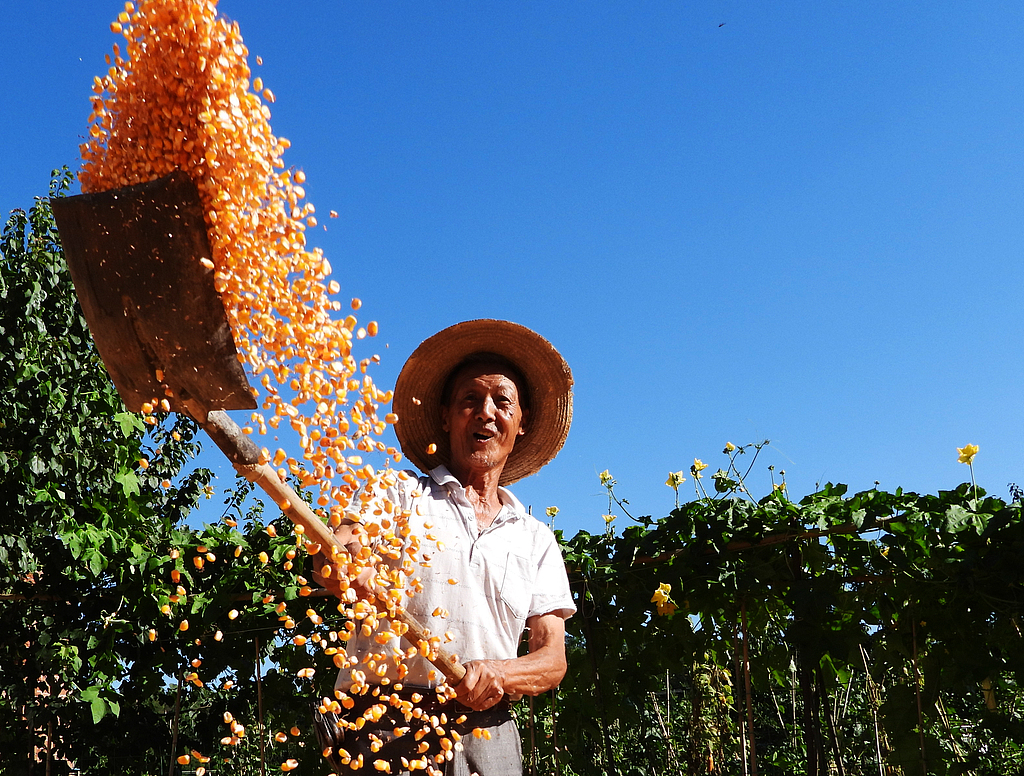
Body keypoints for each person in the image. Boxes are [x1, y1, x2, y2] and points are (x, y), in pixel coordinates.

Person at [313, 319, 576, 776]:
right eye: (469, 400)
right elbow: (337, 551)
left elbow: (551, 660)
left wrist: (499, 673)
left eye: (502, 401)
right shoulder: (396, 496)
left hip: (487, 735)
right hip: (383, 730)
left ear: (522, 420)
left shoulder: (534, 538)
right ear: (445, 416)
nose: (485, 412)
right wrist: (343, 560)